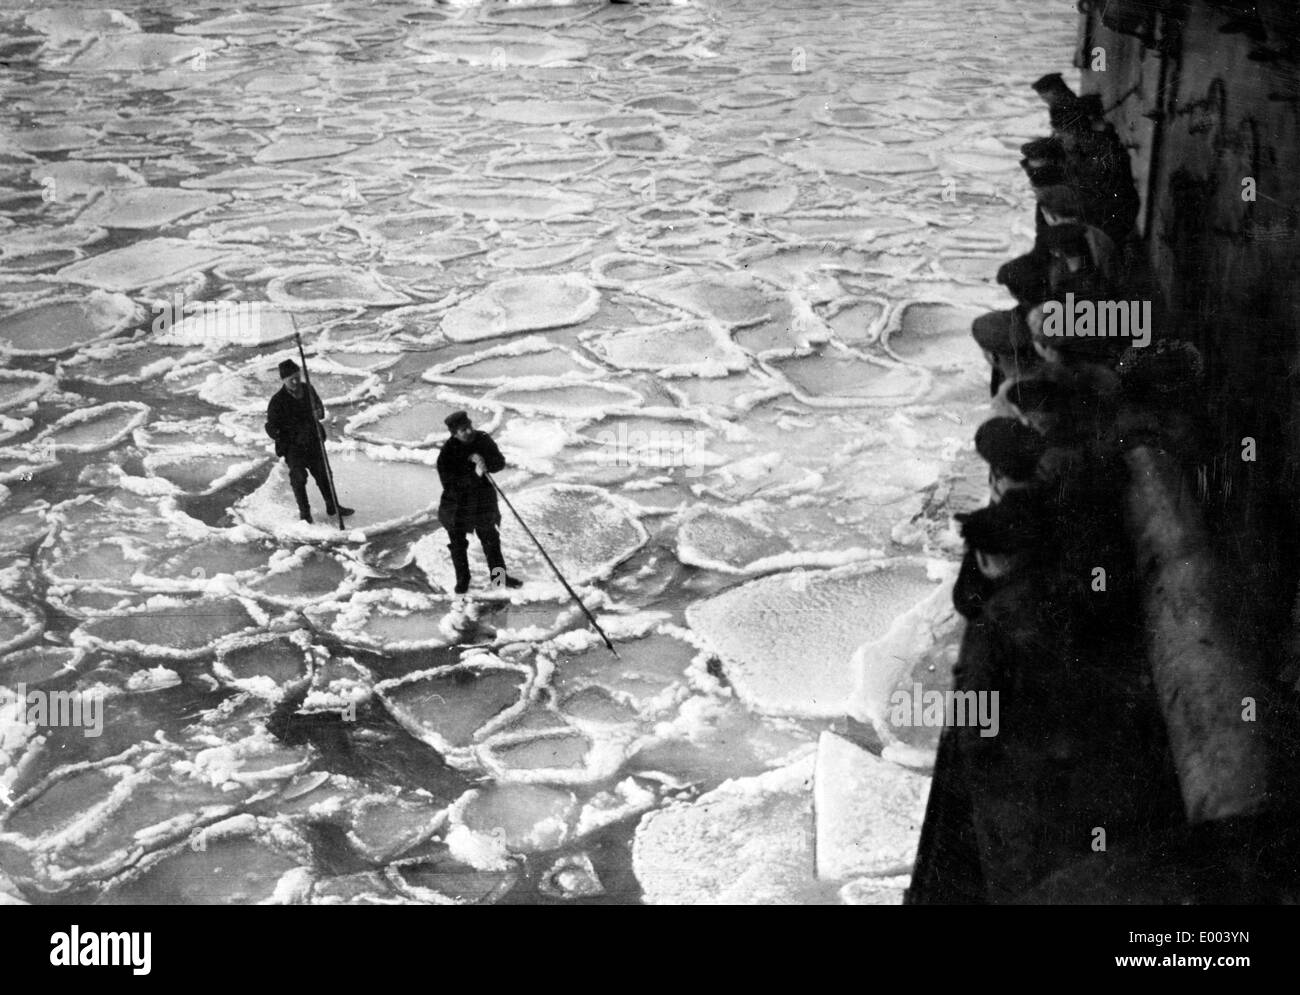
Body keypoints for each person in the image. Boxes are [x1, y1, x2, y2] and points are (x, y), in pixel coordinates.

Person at [436, 410, 522, 595]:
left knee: (491, 540)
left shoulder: (482, 439)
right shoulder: (447, 453)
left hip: (483, 501)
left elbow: (499, 463)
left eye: (468, 427)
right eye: (462, 430)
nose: (468, 432)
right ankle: (463, 581)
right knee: (458, 545)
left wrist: (485, 461)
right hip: (458, 505)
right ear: (454, 433)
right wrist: (475, 473)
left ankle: (499, 579)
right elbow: (450, 485)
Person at [265, 358, 353, 524]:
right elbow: (271, 427)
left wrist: (318, 412)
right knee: (298, 477)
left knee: (323, 474)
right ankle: (305, 513)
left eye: (297, 376)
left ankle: (333, 506)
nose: (295, 380)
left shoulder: (308, 389)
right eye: (291, 378)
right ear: (283, 380)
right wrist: (283, 433)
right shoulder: (277, 401)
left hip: (313, 441)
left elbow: (320, 412)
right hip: (294, 447)